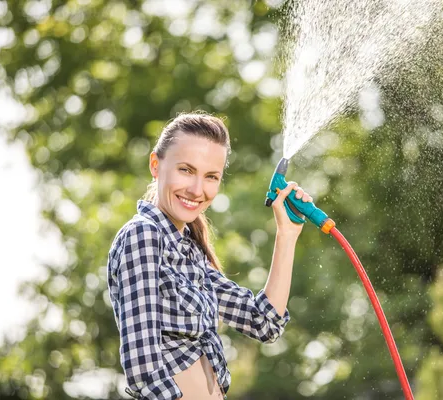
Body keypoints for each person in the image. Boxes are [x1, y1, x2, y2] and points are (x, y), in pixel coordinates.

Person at [106, 112, 313, 399]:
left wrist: (286, 236)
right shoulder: (143, 235)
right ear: (156, 164)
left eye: (211, 177)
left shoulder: (191, 253)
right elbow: (144, 368)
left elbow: (263, 323)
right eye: (186, 170)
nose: (197, 189)